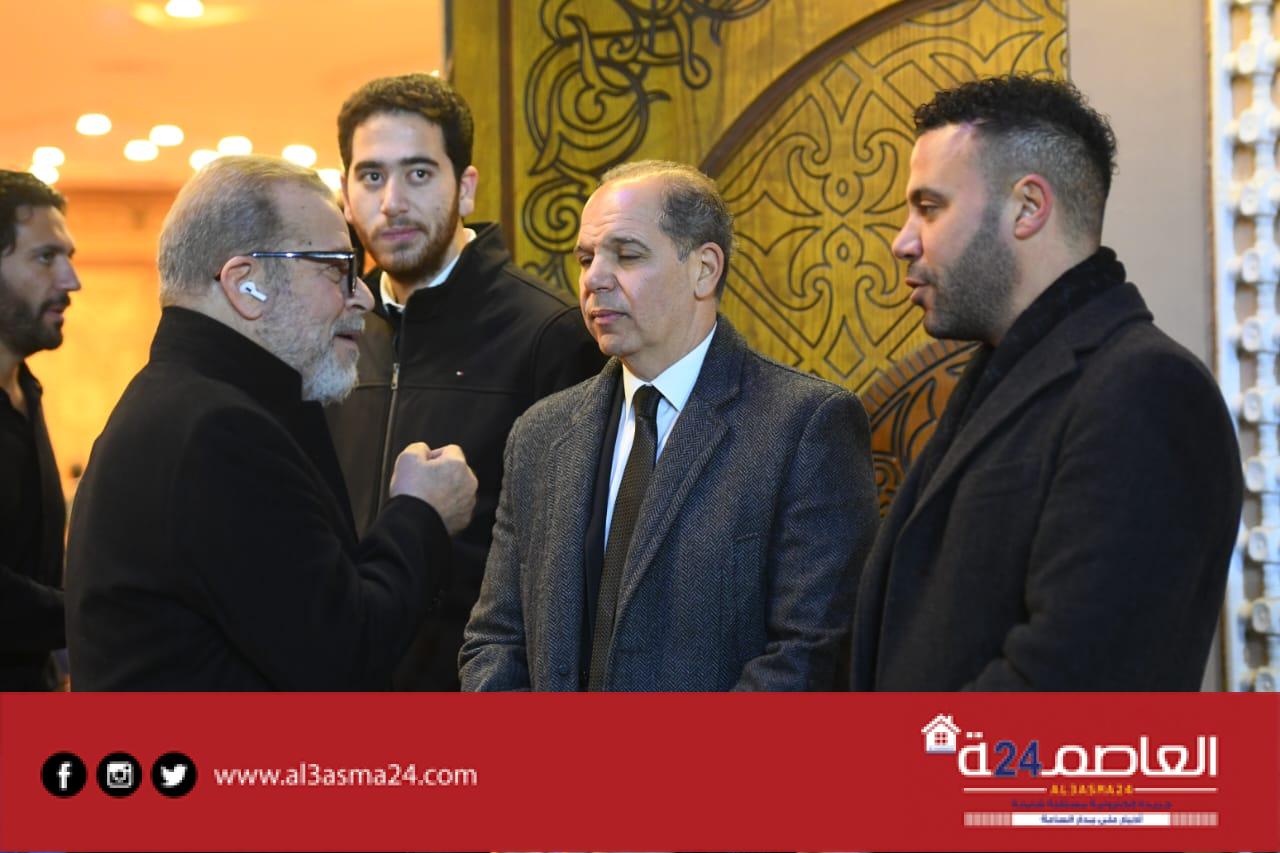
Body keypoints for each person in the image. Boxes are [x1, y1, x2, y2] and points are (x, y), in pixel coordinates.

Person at [849, 75, 1243, 690]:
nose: (902, 241)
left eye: (929, 207)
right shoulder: (1004, 372)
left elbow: (1074, 688)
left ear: (1029, 208)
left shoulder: (1148, 389)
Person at [460, 160, 878, 691]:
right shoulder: (540, 434)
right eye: (586, 258)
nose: (594, 279)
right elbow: (495, 640)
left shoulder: (805, 425)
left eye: (627, 255)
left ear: (704, 269)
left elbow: (810, 653)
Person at [64, 156, 477, 690]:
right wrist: (422, 514)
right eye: (337, 267)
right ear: (247, 284)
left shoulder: (184, 404)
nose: (362, 295)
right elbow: (341, 653)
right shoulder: (217, 433)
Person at [328, 73, 603, 690]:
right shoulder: (329, 328)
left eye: (419, 173)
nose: (392, 201)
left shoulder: (548, 333)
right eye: (371, 176)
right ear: (345, 195)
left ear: (466, 187)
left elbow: (574, 562)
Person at [0, 171, 80, 690]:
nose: (71, 281)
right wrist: (100, 612)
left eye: (68, 257)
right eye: (46, 257)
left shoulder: (26, 390)